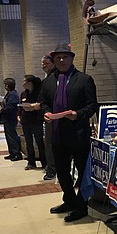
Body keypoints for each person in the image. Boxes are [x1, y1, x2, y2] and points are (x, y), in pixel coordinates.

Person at [39, 44, 97, 222]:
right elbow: (43, 102)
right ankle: (69, 200)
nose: (62, 60)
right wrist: (46, 113)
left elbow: (92, 105)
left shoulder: (84, 79)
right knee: (62, 172)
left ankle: (82, 206)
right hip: (57, 134)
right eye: (58, 58)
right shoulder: (48, 81)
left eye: (65, 57)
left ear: (72, 58)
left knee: (82, 172)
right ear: (54, 60)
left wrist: (78, 115)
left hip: (78, 134)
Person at [20, 74, 46, 170]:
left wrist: (33, 108)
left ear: (29, 83)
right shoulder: (24, 93)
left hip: (36, 120)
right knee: (28, 142)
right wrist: (19, 115)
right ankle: (31, 162)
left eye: (24, 81)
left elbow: (41, 106)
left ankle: (44, 162)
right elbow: (21, 105)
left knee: (39, 141)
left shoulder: (38, 93)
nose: (23, 83)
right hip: (25, 120)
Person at [40, 54, 57, 180]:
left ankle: (52, 169)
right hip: (49, 116)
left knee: (50, 144)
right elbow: (44, 100)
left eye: (46, 63)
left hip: (58, 117)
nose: (43, 66)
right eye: (42, 63)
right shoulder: (47, 78)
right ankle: (51, 167)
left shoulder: (55, 77)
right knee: (49, 144)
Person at [1, 77, 22, 161]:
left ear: (7, 85)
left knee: (12, 136)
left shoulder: (13, 94)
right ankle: (12, 152)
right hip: (7, 118)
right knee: (8, 136)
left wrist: (1, 110)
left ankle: (16, 153)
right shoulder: (9, 94)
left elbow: (10, 107)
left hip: (11, 118)